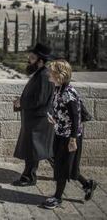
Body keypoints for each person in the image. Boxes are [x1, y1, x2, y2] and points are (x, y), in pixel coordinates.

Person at [42, 59, 97, 209]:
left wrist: (73, 139)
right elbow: (62, 112)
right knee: (66, 165)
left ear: (59, 75)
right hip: (61, 133)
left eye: (51, 72)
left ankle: (57, 198)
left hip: (69, 137)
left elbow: (76, 118)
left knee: (61, 167)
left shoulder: (69, 93)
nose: (48, 74)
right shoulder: (58, 88)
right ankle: (88, 184)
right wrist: (55, 119)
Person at [12, 43, 54, 186]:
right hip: (36, 119)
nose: (29, 59)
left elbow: (39, 100)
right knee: (43, 150)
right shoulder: (41, 73)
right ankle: (64, 172)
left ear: (40, 61)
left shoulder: (44, 75)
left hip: (38, 120)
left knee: (33, 149)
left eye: (32, 57)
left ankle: (28, 177)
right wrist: (22, 101)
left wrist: (21, 103)